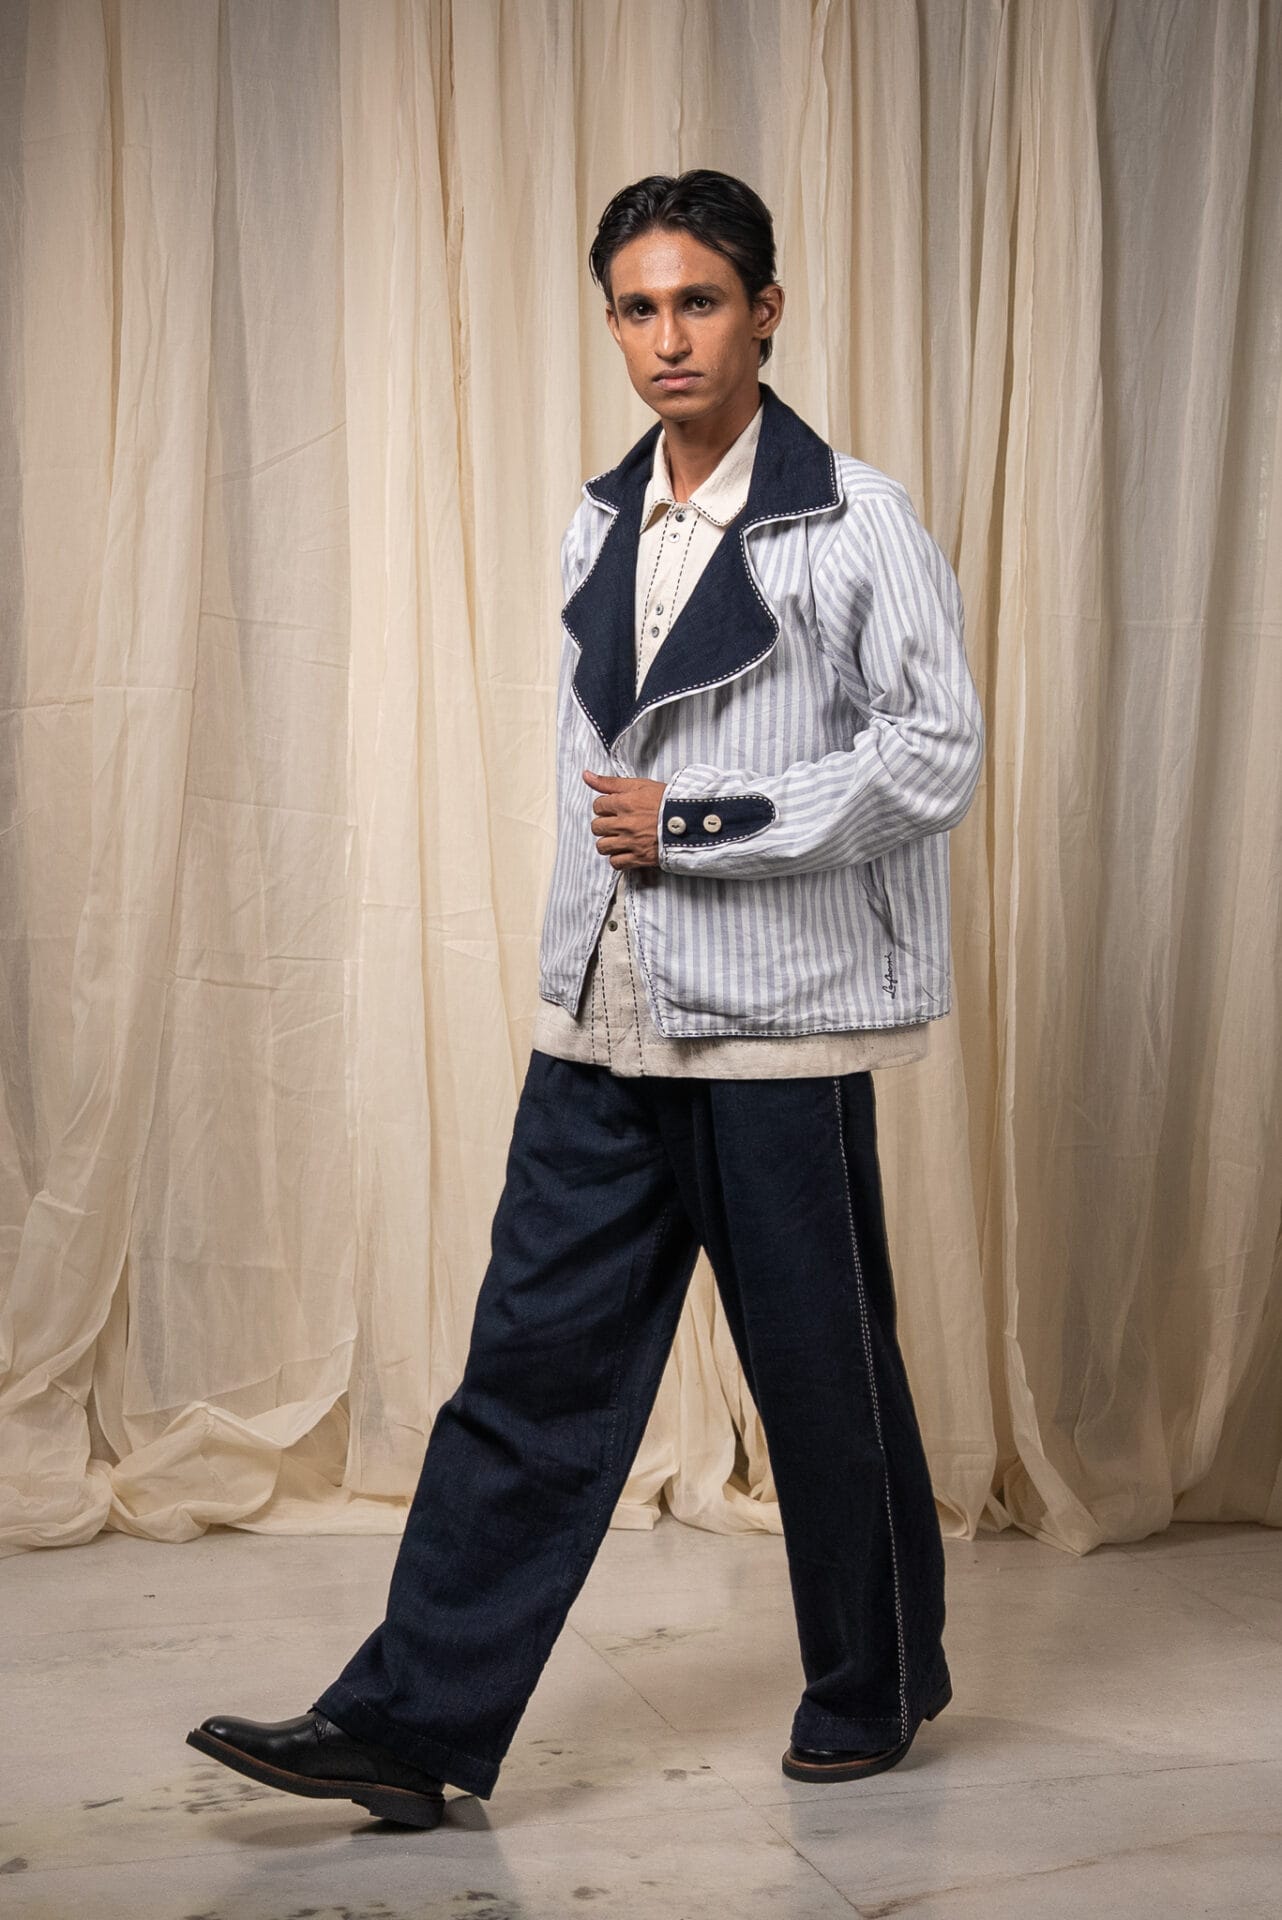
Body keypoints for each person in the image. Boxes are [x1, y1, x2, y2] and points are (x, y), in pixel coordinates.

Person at [187, 169, 984, 1832]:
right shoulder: (596, 518)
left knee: (818, 1377)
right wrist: (580, 955)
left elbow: (932, 755)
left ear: (765, 311)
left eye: (699, 300)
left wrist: (703, 823)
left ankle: (875, 1682)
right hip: (608, 1018)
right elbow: (587, 772)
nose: (666, 336)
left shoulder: (855, 521)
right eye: (637, 306)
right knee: (525, 1373)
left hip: (776, 1020)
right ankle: (407, 1724)